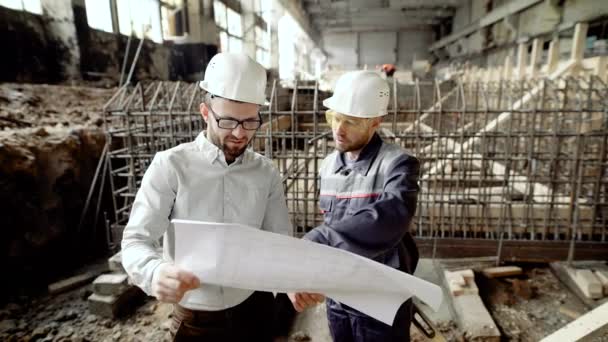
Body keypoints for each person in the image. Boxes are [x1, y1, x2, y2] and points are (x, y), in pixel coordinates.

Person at [121, 52, 291, 341]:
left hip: (255, 308)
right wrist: (154, 272)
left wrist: (294, 280)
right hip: (196, 319)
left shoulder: (266, 172)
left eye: (250, 122)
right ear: (204, 112)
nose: (239, 133)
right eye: (227, 121)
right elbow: (136, 240)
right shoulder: (170, 166)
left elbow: (281, 243)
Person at [289, 70, 420, 342]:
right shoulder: (327, 167)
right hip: (338, 296)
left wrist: (322, 239)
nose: (339, 129)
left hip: (381, 301)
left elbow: (392, 216)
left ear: (376, 122)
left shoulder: (398, 164)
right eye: (335, 117)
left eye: (351, 121)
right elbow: (332, 222)